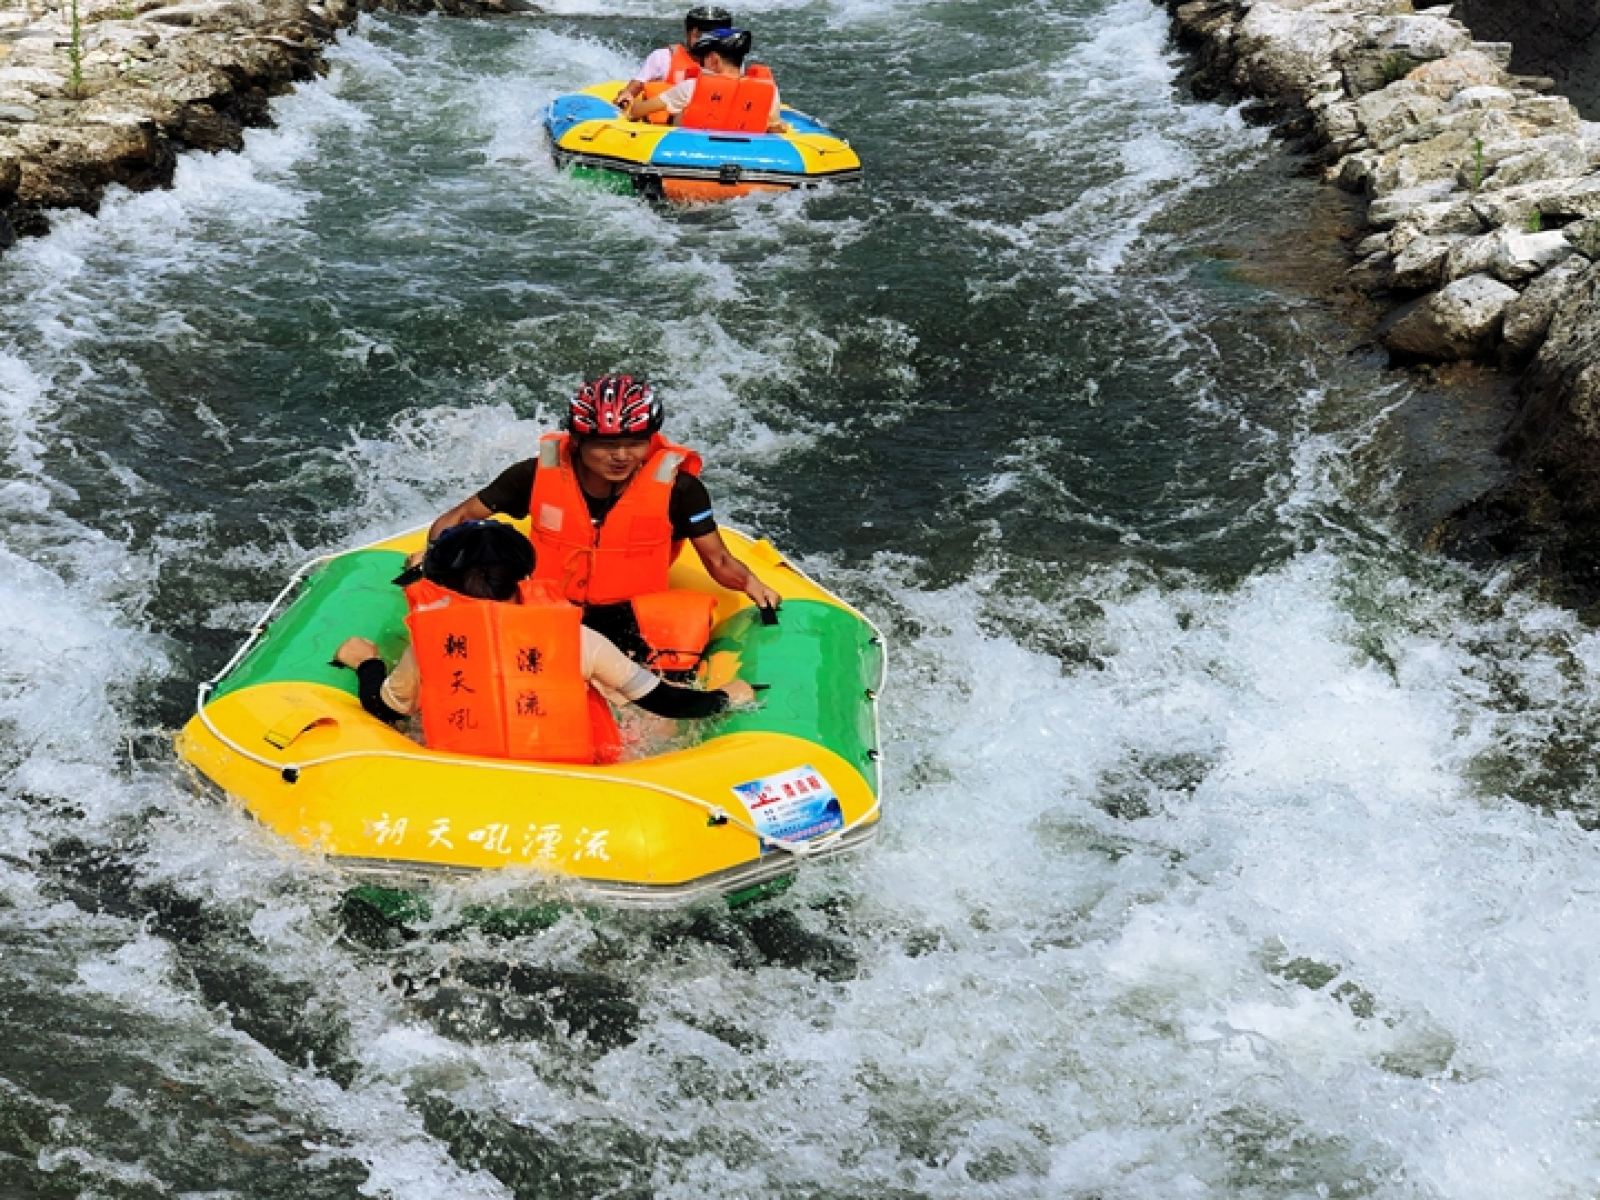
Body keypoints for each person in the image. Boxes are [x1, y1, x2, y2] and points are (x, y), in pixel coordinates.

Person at [424, 374, 782, 668]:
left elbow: (716, 558)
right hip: (549, 611)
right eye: (607, 445)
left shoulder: (680, 490)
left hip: (633, 618)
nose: (622, 456)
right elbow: (462, 517)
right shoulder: (534, 475)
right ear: (578, 441)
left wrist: (752, 584)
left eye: (636, 443)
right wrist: (432, 561)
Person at [334, 521, 756, 765]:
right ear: (524, 578)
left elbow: (384, 709)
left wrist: (366, 663)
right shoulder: (576, 638)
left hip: (465, 780)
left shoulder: (434, 642)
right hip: (574, 779)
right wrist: (725, 697)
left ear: (442, 583)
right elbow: (666, 702)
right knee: (640, 715)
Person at [620, 28, 787, 134]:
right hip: (749, 160)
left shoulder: (691, 88)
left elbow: (637, 111)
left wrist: (630, 104)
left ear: (714, 60)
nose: (701, 63)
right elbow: (773, 126)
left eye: (704, 58)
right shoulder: (770, 91)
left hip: (689, 157)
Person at [612, 5, 732, 108]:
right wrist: (626, 95)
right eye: (701, 36)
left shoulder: (729, 63)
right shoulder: (662, 57)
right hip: (663, 128)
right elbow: (633, 88)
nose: (708, 43)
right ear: (690, 33)